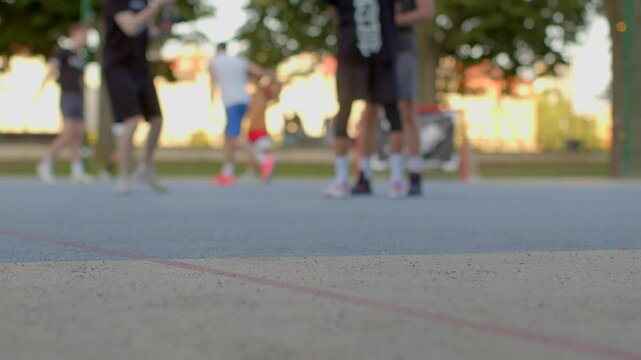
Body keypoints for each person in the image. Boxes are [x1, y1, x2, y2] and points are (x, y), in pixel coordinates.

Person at [324, 0, 406, 198]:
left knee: (347, 111)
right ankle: (392, 179)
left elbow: (333, 12)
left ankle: (345, 179)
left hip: (360, 52)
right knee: (387, 111)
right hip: (371, 51)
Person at [354, 0, 433, 197]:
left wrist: (391, 20)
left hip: (402, 48)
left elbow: (426, 12)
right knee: (370, 110)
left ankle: (414, 173)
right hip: (375, 48)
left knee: (407, 108)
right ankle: (364, 174)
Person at [102, 0, 175, 195]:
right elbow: (131, 27)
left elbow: (148, 33)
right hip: (118, 67)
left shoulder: (142, 2)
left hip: (139, 67)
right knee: (131, 120)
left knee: (157, 120)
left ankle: (145, 168)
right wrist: (155, 6)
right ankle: (123, 175)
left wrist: (166, 23)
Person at [36, 23, 93, 185]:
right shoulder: (63, 52)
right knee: (68, 134)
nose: (85, 39)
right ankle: (45, 164)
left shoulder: (81, 56)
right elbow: (52, 69)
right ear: (74, 34)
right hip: (68, 96)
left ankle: (77, 170)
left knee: (79, 135)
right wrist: (41, 88)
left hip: (79, 96)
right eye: (83, 35)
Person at [209, 43, 273, 187]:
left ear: (217, 50)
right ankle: (226, 173)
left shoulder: (214, 62)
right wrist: (272, 76)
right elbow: (260, 71)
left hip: (231, 102)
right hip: (244, 100)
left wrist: (212, 104)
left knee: (233, 137)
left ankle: (263, 159)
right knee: (228, 138)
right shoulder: (239, 61)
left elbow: (212, 84)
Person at [244, 75, 280, 183]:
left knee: (257, 153)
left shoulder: (262, 95)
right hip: (252, 129)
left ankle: (265, 165)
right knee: (253, 152)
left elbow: (276, 87)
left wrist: (268, 75)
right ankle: (254, 172)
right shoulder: (252, 96)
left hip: (260, 130)